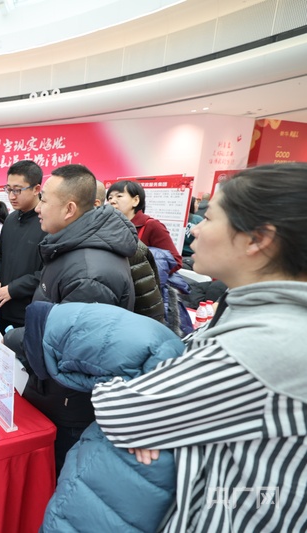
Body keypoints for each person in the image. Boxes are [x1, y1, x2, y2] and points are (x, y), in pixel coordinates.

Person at [92, 163, 307, 531]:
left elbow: (121, 412)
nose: (194, 231)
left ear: (258, 239)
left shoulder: (266, 342)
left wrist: (138, 406)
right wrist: (156, 407)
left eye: (208, 219)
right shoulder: (251, 311)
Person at [6, 164, 136, 476]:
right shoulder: (68, 247)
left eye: (44, 200)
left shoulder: (89, 272)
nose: (38, 208)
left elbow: (74, 346)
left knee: (59, 474)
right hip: (53, 390)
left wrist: (15, 339)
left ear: (69, 209)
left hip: (70, 401)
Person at [0, 160, 46, 333]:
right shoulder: (11, 220)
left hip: (29, 311)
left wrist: (13, 289)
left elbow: (47, 273)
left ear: (36, 189)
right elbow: (0, 256)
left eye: (17, 190)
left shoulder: (47, 223)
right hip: (3, 307)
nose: (12, 196)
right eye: (9, 189)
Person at [107, 180, 183, 273]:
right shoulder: (110, 226)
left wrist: (144, 275)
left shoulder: (152, 225)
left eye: (119, 196)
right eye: (110, 198)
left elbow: (175, 261)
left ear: (135, 200)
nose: (112, 201)